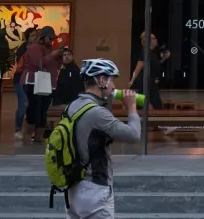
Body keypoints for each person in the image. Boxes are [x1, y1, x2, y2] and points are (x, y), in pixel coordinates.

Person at [64, 58, 141, 219]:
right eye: (112, 80)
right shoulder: (97, 113)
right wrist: (132, 107)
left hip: (73, 188)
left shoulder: (72, 106)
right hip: (95, 189)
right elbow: (133, 135)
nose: (113, 86)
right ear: (101, 80)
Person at [20, 26, 64, 142]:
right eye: (49, 38)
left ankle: (38, 137)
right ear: (43, 37)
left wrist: (59, 57)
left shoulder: (51, 48)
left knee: (43, 110)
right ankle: (28, 136)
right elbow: (37, 63)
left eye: (52, 38)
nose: (51, 41)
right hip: (33, 81)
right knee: (34, 109)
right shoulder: (34, 48)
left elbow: (55, 66)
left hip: (47, 82)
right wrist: (53, 56)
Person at [13, 28, 37, 139]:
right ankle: (18, 128)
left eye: (36, 35)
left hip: (33, 80)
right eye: (32, 35)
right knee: (23, 103)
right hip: (21, 79)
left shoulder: (39, 49)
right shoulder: (22, 49)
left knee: (32, 104)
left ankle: (31, 128)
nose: (34, 38)